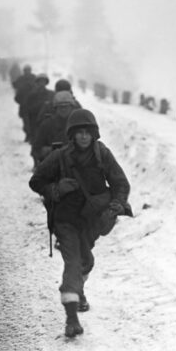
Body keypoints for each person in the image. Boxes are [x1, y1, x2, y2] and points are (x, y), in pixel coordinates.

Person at [29, 109, 132, 338]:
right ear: (72, 135)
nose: (83, 137)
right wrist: (56, 189)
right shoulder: (61, 156)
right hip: (65, 219)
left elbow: (120, 183)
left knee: (86, 261)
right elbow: (36, 181)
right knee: (74, 263)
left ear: (93, 134)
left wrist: (116, 204)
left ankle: (78, 292)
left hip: (91, 219)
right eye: (79, 133)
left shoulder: (102, 154)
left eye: (87, 132)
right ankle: (71, 318)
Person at [31, 90, 77, 167]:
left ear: (71, 107)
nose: (63, 109)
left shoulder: (78, 123)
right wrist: (49, 150)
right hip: (53, 166)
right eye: (60, 107)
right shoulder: (47, 125)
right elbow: (36, 149)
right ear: (56, 108)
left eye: (66, 106)